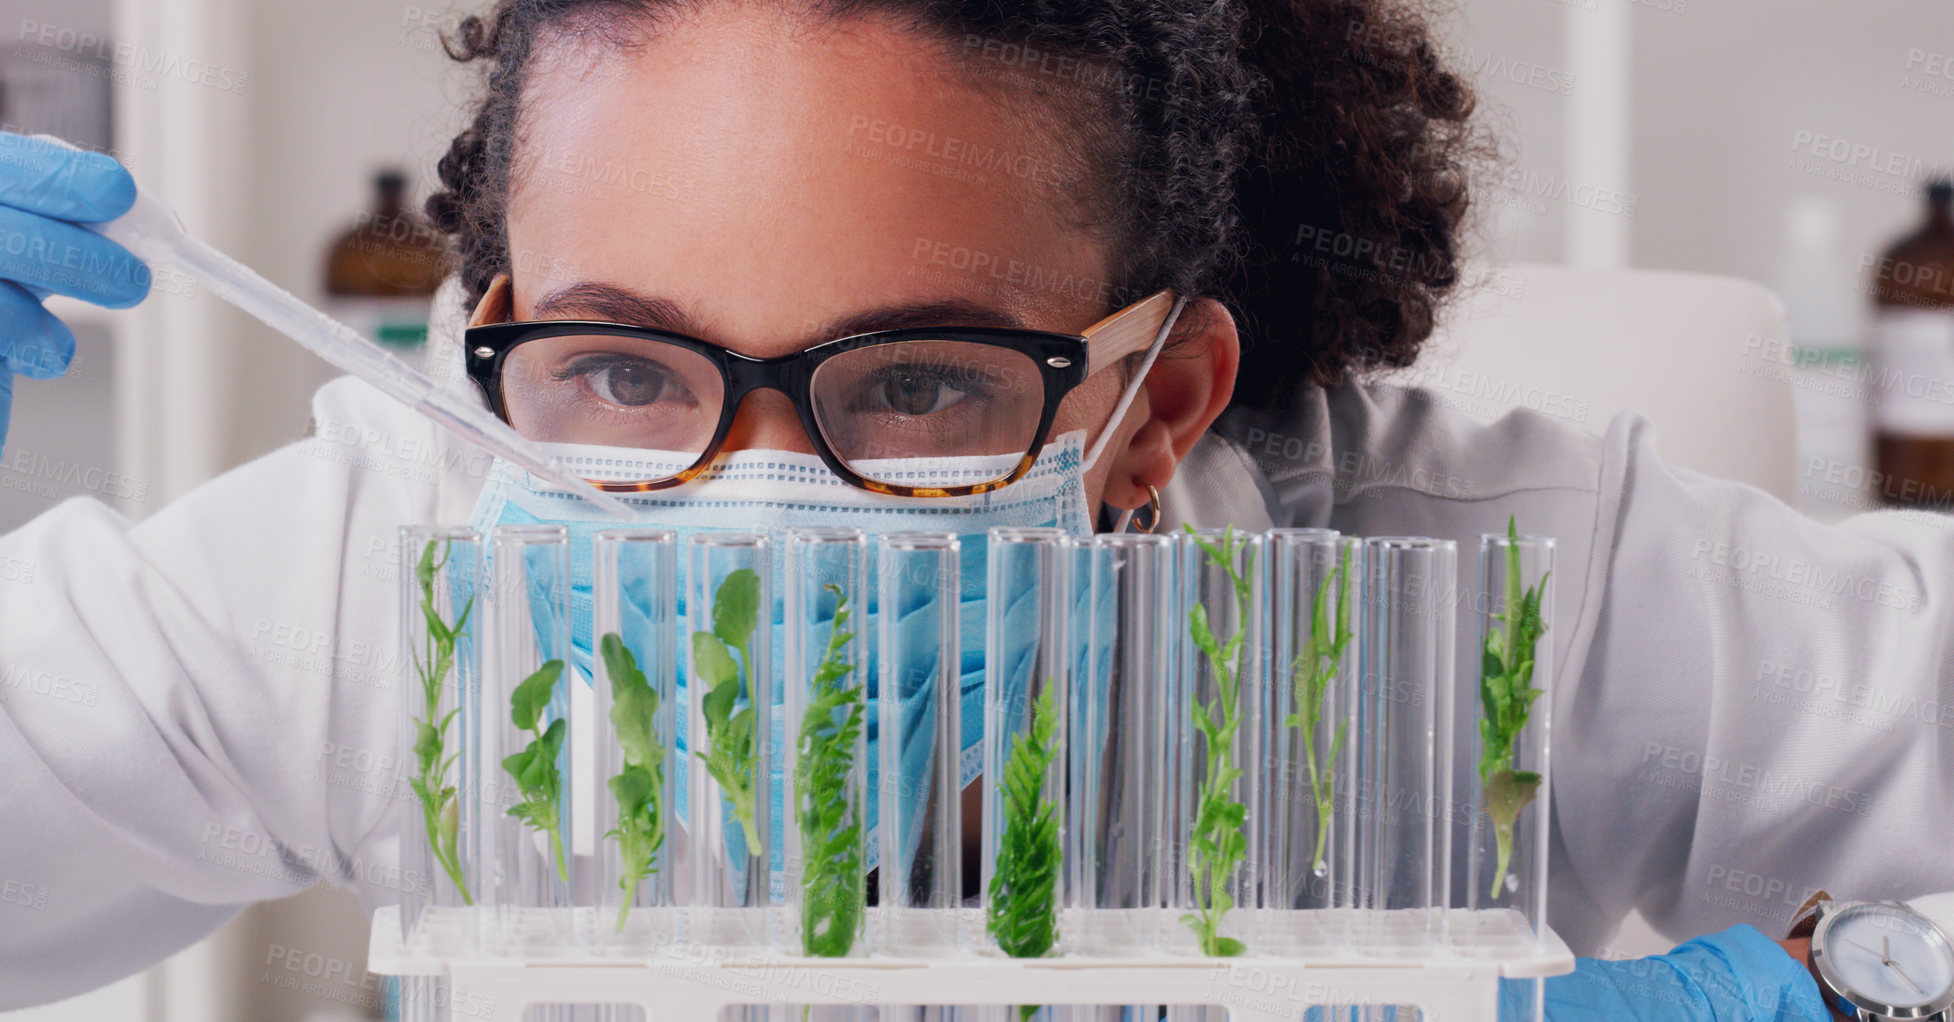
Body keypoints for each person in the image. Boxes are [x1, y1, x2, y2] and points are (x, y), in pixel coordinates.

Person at [0, 0, 1945, 1017]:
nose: (745, 503)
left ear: (1158, 399)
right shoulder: (396, 578)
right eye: (622, 368)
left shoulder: (1489, 579)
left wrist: (1823, 989)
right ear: (493, 333)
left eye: (915, 382)